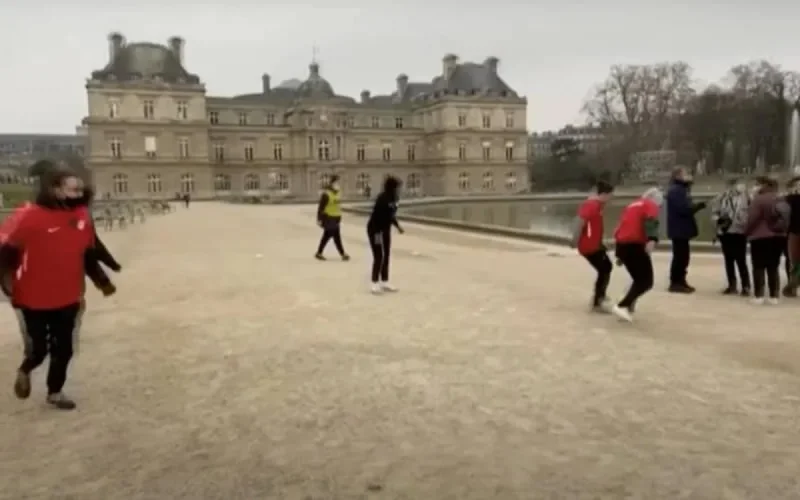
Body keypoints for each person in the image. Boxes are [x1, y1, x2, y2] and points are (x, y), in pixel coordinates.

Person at [0, 167, 115, 410]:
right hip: (33, 297)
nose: (79, 192)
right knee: (39, 348)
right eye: (73, 188)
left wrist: (103, 280)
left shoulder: (82, 216)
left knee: (65, 348)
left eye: (80, 188)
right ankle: (25, 369)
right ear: (55, 190)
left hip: (68, 295)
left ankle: (55, 391)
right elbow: (7, 255)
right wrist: (6, 283)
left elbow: (88, 253)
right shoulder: (30, 217)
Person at [611, 187, 663, 322]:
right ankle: (623, 305)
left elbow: (620, 227)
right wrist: (652, 239)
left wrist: (619, 254)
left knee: (638, 278)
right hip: (635, 245)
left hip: (622, 245)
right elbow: (651, 221)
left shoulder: (632, 205)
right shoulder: (650, 205)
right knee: (646, 281)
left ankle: (626, 301)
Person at [744, 176, 789, 305]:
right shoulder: (780, 198)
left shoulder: (758, 200)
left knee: (758, 266)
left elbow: (752, 218)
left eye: (757, 184)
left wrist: (746, 232)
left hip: (760, 236)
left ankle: (759, 295)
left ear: (763, 185)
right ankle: (774, 295)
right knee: (773, 266)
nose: (755, 187)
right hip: (779, 236)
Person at [570, 180, 614, 311]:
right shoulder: (591, 205)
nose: (611, 198)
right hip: (588, 246)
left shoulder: (598, 206)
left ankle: (600, 296)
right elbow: (580, 222)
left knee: (606, 267)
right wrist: (575, 240)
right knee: (605, 268)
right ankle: (597, 301)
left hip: (594, 244)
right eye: (610, 195)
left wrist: (601, 242)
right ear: (604, 194)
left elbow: (594, 227)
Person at [665, 167, 707, 293]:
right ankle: (675, 282)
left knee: (683, 256)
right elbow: (683, 209)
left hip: (681, 228)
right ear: (678, 176)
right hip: (679, 229)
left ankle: (681, 281)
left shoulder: (681, 189)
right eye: (686, 174)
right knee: (680, 257)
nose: (689, 176)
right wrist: (698, 206)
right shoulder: (676, 190)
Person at [710, 178, 751, 295]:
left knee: (741, 260)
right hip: (726, 232)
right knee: (729, 260)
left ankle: (746, 286)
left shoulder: (746, 197)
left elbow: (751, 212)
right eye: (736, 185)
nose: (740, 187)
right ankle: (732, 285)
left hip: (740, 231)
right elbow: (714, 213)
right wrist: (718, 225)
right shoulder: (721, 198)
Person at [366, 176, 404, 294]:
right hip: (375, 229)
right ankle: (374, 283)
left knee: (386, 255)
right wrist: (378, 233)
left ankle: (385, 281)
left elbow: (391, 215)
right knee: (378, 256)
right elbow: (377, 216)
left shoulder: (395, 198)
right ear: (392, 187)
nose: (399, 189)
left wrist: (397, 226)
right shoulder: (382, 198)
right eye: (398, 187)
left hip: (385, 229)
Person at [315, 175, 350, 261]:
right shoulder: (326, 194)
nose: (338, 184)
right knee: (335, 235)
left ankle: (319, 253)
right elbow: (321, 207)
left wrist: (339, 216)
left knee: (327, 235)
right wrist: (319, 219)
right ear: (332, 183)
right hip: (328, 217)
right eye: (337, 182)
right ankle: (342, 254)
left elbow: (337, 205)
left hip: (336, 218)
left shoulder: (338, 193)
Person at [782, 176, 800, 297]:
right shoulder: (789, 199)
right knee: (794, 261)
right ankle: (792, 284)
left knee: (795, 262)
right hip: (793, 233)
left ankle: (793, 284)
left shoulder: (789, 199)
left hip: (793, 233)